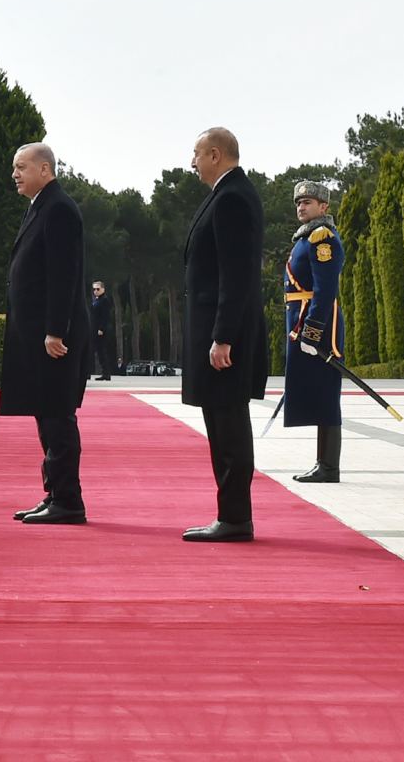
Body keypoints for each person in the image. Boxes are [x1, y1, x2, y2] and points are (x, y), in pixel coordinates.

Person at [181, 127, 268, 542]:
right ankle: (231, 514)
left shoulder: (232, 198)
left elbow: (236, 276)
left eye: (196, 154)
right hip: (218, 329)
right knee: (221, 421)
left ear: (215, 155)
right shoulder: (226, 194)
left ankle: (235, 518)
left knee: (229, 425)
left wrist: (223, 337)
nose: (192, 161)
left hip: (224, 335)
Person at [0, 143, 92, 524]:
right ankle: (53, 493)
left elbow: (63, 274)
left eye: (21, 167)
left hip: (54, 338)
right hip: (35, 335)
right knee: (45, 413)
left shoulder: (59, 209)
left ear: (45, 169)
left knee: (57, 414)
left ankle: (68, 500)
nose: (15, 174)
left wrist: (55, 330)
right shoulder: (41, 206)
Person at [284, 180, 346, 483]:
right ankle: (323, 463)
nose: (301, 207)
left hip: (316, 323)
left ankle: (329, 467)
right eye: (298, 203)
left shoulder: (323, 238)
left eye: (307, 202)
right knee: (317, 391)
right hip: (301, 319)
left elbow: (325, 289)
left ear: (323, 207)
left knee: (325, 393)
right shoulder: (305, 238)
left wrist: (313, 330)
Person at [90, 281, 114, 381]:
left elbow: (105, 316)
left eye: (98, 289)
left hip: (100, 330)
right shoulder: (96, 300)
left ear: (103, 289)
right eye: (94, 289)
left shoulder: (104, 300)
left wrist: (101, 328)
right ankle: (90, 372)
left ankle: (106, 373)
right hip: (94, 328)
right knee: (94, 351)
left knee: (101, 351)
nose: (95, 291)